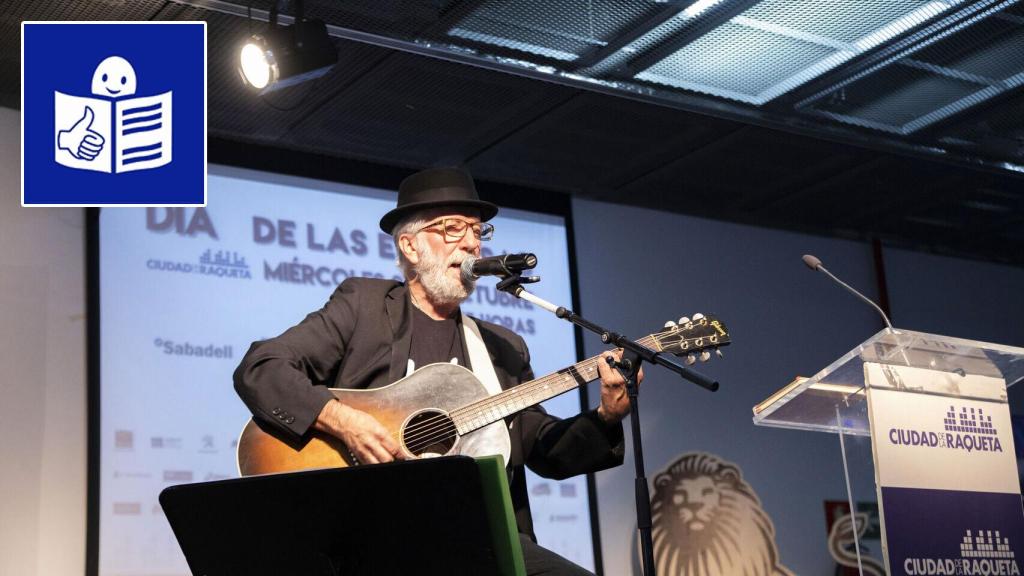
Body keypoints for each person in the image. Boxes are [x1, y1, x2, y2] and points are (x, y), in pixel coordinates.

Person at [233, 166, 639, 575]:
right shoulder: (365, 307)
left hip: (479, 537)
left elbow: (544, 451)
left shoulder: (503, 347)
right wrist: (344, 421)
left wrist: (607, 416)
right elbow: (262, 367)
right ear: (410, 246)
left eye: (478, 232)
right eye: (452, 229)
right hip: (370, 531)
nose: (471, 244)